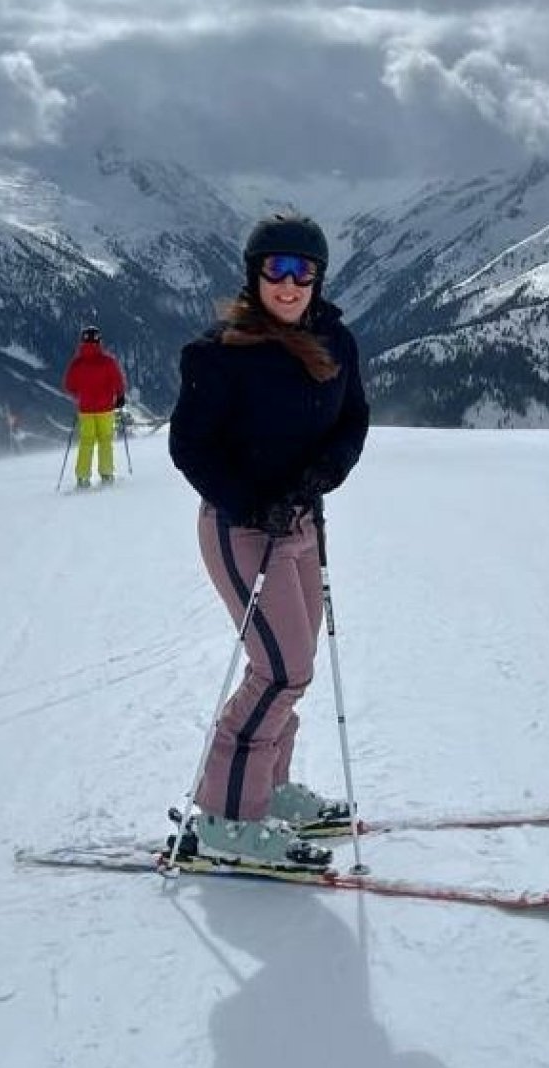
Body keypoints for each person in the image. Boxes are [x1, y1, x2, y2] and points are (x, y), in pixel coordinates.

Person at [168, 213, 369, 870]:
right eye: (275, 269)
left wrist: (322, 474)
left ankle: (268, 787)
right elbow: (190, 447)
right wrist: (256, 501)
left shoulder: (336, 340)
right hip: (241, 528)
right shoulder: (218, 353)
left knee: (296, 665)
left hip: (302, 522)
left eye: (301, 270)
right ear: (255, 277)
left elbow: (353, 420)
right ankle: (227, 815)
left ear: (318, 277)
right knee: (279, 670)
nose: (288, 282)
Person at [62, 325, 127, 489]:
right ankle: (106, 474)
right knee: (105, 440)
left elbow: (69, 385)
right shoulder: (108, 361)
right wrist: (119, 396)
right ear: (99, 341)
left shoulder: (77, 363)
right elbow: (118, 381)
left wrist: (81, 393)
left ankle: (82, 477)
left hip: (85, 409)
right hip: (105, 408)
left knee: (86, 442)